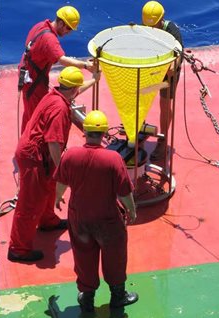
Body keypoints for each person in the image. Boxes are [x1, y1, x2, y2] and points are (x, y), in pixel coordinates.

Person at [8, 66, 99, 262]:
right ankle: (18, 249)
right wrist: (62, 170)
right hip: (35, 156)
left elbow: (74, 92)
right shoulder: (59, 109)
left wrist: (94, 80)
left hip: (37, 153)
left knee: (48, 187)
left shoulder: (55, 95)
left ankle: (47, 220)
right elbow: (53, 142)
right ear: (74, 89)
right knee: (29, 203)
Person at [53, 110, 138, 312]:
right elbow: (124, 192)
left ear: (85, 131)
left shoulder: (71, 155)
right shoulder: (113, 159)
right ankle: (118, 296)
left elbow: (61, 182)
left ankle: (87, 297)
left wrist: (57, 198)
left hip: (79, 218)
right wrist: (131, 210)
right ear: (104, 133)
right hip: (107, 219)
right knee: (115, 256)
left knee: (83, 256)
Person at [18, 5, 95, 134]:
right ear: (60, 22)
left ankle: (25, 145)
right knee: (36, 120)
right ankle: (30, 150)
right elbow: (62, 59)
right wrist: (86, 65)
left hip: (29, 78)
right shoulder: (50, 39)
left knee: (30, 116)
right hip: (34, 83)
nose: (68, 32)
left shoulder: (40, 25)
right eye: (68, 28)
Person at [141, 0, 183, 160]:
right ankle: (140, 130)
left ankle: (163, 140)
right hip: (151, 70)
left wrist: (173, 65)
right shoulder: (144, 28)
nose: (152, 28)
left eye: (155, 24)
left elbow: (178, 55)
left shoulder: (172, 31)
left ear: (162, 18)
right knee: (141, 96)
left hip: (167, 74)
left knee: (164, 104)